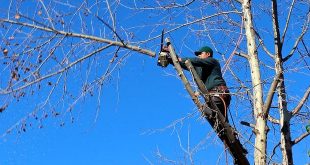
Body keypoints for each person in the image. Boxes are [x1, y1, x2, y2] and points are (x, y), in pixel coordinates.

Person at [164, 46, 231, 122]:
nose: (198, 55)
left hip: (219, 93)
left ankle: (222, 124)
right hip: (210, 96)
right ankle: (226, 131)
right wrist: (170, 56)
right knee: (219, 123)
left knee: (209, 111)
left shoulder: (213, 61)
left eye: (200, 53)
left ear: (208, 54)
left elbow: (195, 61)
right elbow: (182, 63)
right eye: (197, 54)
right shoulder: (199, 68)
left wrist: (181, 59)